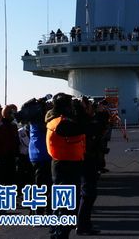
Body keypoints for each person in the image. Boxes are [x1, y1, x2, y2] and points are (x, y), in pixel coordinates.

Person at [46, 93, 86, 239]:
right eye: (70, 103)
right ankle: (59, 235)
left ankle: (56, 232)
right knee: (67, 208)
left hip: (61, 165)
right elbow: (84, 128)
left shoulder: (55, 121)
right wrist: (81, 110)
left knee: (61, 205)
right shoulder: (63, 123)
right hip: (66, 167)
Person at [76, 97, 106, 235]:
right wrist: (101, 114)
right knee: (88, 193)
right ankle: (82, 225)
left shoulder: (75, 120)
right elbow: (97, 130)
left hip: (81, 159)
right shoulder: (81, 122)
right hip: (84, 160)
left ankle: (80, 224)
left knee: (84, 194)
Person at [0, 104, 20, 185]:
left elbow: (16, 141)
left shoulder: (13, 125)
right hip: (2, 156)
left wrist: (17, 154)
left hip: (11, 155)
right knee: (3, 178)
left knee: (10, 177)